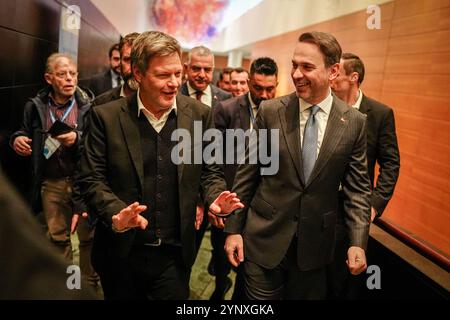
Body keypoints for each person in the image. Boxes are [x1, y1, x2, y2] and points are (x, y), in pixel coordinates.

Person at [78, 31, 242, 300]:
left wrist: (213, 197)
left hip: (174, 256)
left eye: (178, 74)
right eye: (163, 75)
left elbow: (210, 171)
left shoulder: (200, 115)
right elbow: (91, 178)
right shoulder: (105, 116)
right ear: (138, 74)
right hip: (121, 253)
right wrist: (117, 213)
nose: (174, 83)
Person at [216, 31, 372, 300]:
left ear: (333, 71)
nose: (297, 74)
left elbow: (358, 190)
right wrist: (233, 231)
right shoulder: (270, 112)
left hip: (315, 250)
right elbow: (246, 175)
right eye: (294, 65)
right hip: (263, 240)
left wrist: (358, 242)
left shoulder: (354, 123)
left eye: (307, 67)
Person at [10, 53, 97, 287]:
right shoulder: (35, 106)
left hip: (84, 182)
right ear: (49, 78)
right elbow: (23, 132)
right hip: (52, 183)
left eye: (73, 74)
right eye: (62, 74)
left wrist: (76, 138)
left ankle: (88, 285)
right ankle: (69, 286)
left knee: (88, 238)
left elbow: (98, 143)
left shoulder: (89, 107)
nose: (69, 79)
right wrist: (17, 140)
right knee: (58, 238)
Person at [328, 52, 400, 298]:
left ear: (353, 77)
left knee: (344, 280)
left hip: (354, 210)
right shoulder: (325, 108)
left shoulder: (380, 114)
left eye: (337, 74)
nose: (331, 78)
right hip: (320, 204)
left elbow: (391, 163)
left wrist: (375, 205)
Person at [210, 57, 279, 300]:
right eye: (258, 87)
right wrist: (217, 198)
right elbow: (212, 160)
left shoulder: (281, 112)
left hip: (262, 203)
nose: (264, 94)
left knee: (250, 262)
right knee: (221, 255)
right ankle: (219, 288)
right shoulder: (226, 109)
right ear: (249, 83)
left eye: (270, 88)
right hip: (229, 197)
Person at [0, 168, 97, 299]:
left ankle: (88, 288)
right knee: (60, 242)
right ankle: (70, 289)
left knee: (87, 241)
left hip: (84, 180)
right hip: (52, 178)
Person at [180, 45, 232, 255]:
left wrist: (210, 196)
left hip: (213, 183)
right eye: (196, 69)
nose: (202, 75)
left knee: (216, 250)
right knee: (184, 252)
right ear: (186, 68)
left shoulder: (226, 99)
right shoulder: (173, 94)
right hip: (181, 186)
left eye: (207, 69)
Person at [92, 33, 140, 106]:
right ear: (120, 61)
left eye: (139, 60)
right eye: (127, 60)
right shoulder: (100, 104)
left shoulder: (160, 104)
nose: (133, 69)